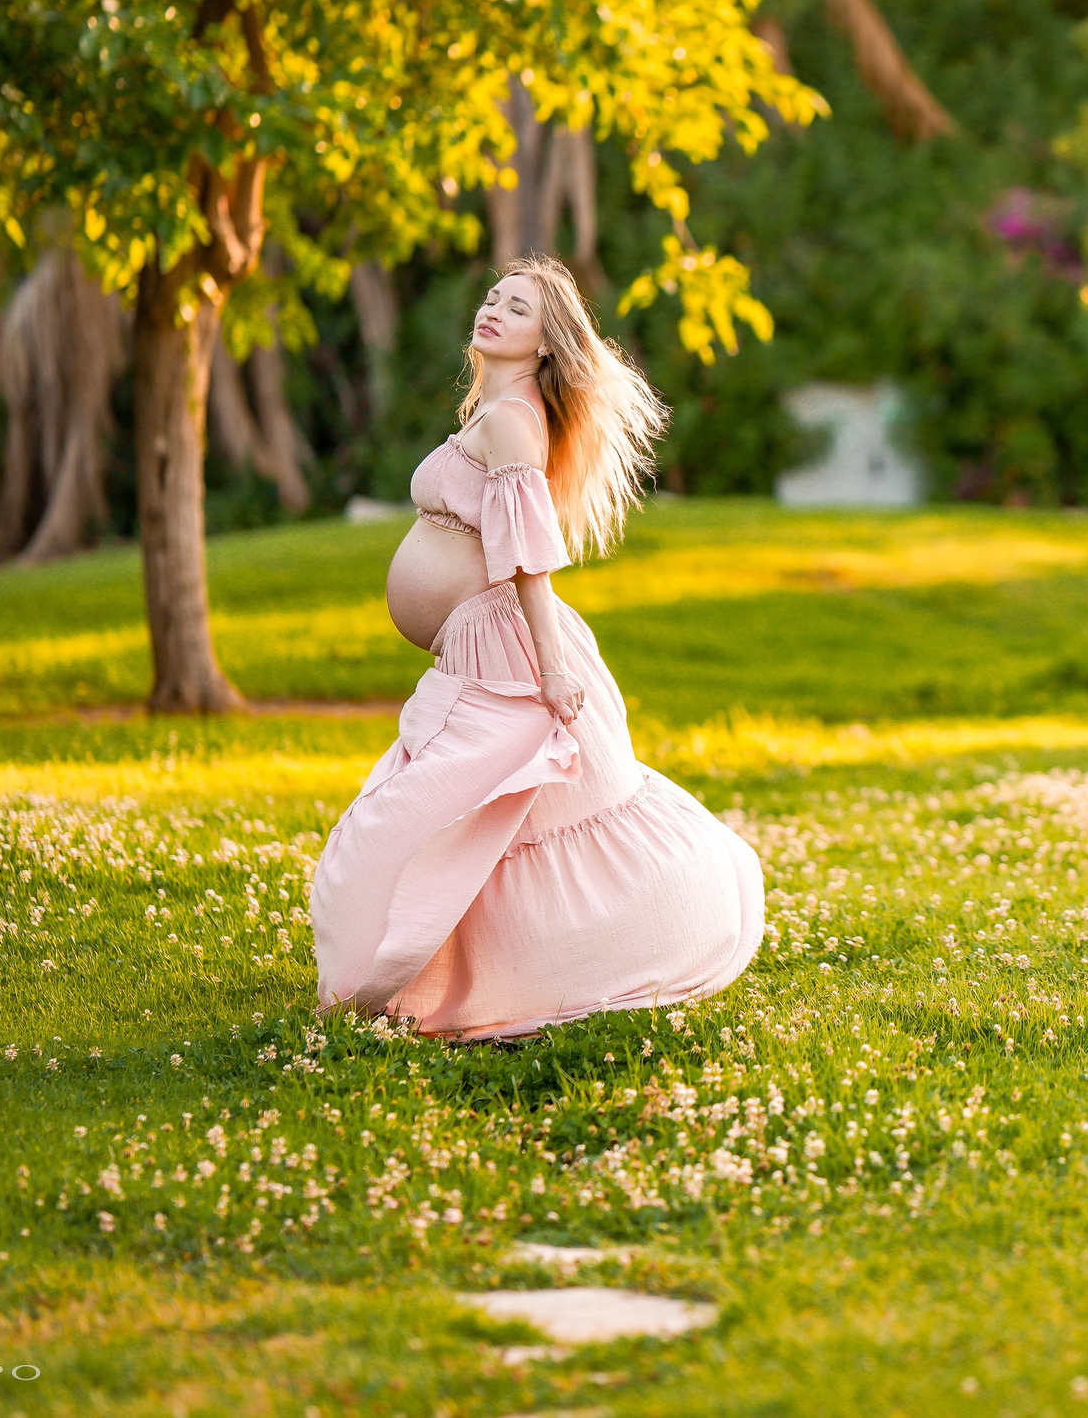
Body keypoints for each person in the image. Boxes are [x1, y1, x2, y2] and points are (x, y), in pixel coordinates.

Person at [311, 255, 765, 1037]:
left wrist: (551, 668)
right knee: (483, 816)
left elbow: (528, 552)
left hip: (503, 647)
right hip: (479, 643)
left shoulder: (514, 419)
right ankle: (445, 972)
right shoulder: (498, 410)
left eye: (516, 308)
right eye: (492, 297)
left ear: (547, 342)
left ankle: (454, 976)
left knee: (437, 815)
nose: (492, 311)